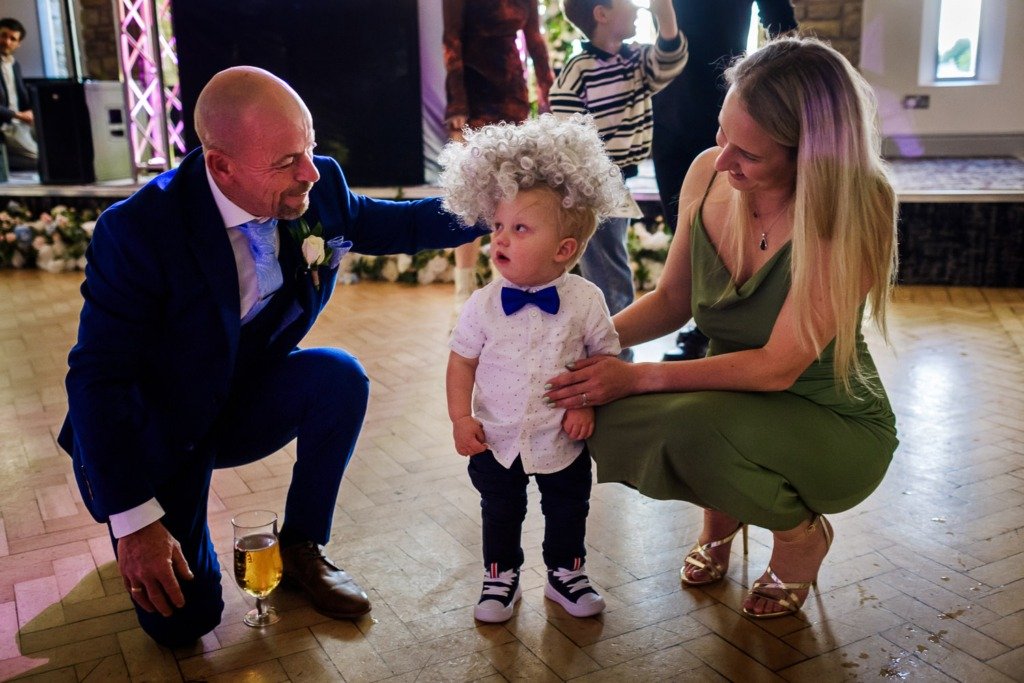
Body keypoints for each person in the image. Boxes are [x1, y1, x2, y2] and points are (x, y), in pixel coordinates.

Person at [58, 66, 485, 646]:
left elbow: (406, 224)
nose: (309, 171)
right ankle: (139, 522)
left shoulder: (318, 187)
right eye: (285, 161)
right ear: (221, 165)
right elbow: (96, 378)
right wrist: (134, 521)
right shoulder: (139, 230)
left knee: (338, 378)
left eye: (307, 149)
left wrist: (501, 199)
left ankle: (303, 546)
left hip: (234, 401)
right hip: (152, 428)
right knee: (188, 623)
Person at [543, 37, 899, 619]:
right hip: (723, 397)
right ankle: (724, 507)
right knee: (592, 417)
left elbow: (776, 366)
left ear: (809, 155)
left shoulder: (855, 204)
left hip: (828, 418)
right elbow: (671, 300)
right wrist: (576, 345)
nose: (722, 155)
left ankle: (799, 536)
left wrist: (634, 379)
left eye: (749, 153)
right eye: (722, 131)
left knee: (691, 421)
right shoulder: (709, 174)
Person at [439, 114, 626, 623]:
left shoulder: (585, 300)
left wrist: (586, 405)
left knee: (568, 508)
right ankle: (501, 576)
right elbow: (461, 362)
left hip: (561, 436)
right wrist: (460, 417)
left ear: (563, 249)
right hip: (496, 438)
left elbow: (604, 358)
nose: (500, 238)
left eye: (520, 229)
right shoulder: (482, 304)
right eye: (498, 226)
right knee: (500, 511)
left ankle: (567, 572)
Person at [654, 0, 797, 361]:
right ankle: (709, 319)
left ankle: (751, 321)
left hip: (729, 105)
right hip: (669, 107)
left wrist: (782, 102)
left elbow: (781, 24)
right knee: (690, 226)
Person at [549, 0, 687, 359]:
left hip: (618, 182)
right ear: (602, 13)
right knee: (610, 274)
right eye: (629, 3)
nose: (639, 9)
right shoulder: (579, 69)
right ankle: (614, 358)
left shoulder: (635, 60)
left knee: (610, 268)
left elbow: (669, 59)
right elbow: (564, 130)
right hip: (591, 183)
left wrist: (665, 13)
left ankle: (606, 352)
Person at [442, 0, 554, 322]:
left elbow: (534, 39)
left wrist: (548, 90)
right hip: (472, 98)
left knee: (511, 194)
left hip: (513, 95)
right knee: (471, 198)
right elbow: (451, 40)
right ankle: (463, 292)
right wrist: (457, 104)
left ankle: (503, 283)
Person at [0, 17, 38, 171]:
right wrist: (17, 115)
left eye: (12, 39)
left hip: (20, 122)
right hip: (6, 124)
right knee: (41, 160)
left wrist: (31, 111)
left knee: (55, 149)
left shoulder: (14, 65)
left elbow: (23, 96)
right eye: (3, 35)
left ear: (18, 43)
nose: (7, 42)